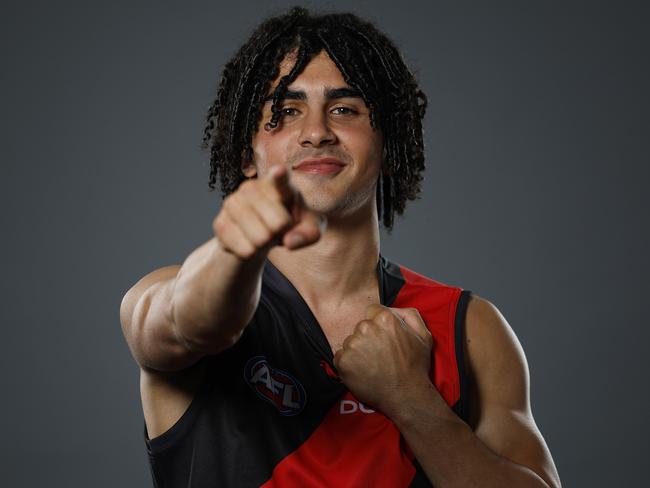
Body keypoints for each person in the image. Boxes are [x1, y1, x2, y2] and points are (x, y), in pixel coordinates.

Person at [120, 7, 561, 487]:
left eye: (344, 109)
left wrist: (411, 399)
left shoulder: (469, 327)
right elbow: (192, 321)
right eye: (286, 112)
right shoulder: (164, 295)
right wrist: (234, 251)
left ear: (388, 146)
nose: (317, 132)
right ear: (247, 155)